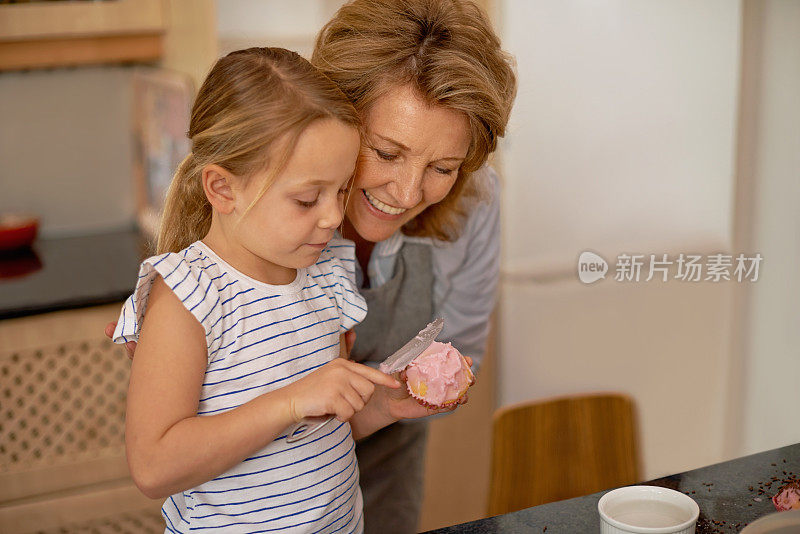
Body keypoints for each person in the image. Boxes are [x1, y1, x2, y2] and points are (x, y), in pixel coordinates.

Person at [107, 1, 516, 531]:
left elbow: (332, 420)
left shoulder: (327, 276)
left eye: (442, 167)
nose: (409, 192)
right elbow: (159, 458)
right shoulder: (202, 282)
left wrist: (395, 401)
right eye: (387, 153)